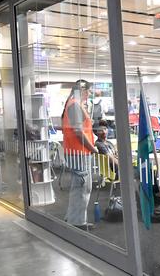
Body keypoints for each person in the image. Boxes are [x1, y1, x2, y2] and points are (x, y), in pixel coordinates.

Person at [61, 79, 98, 231]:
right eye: (88, 91)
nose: (89, 94)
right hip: (79, 152)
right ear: (82, 90)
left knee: (79, 187)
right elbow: (77, 131)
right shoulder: (75, 104)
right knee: (82, 188)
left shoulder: (73, 103)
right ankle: (77, 223)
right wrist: (92, 148)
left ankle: (73, 219)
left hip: (77, 152)